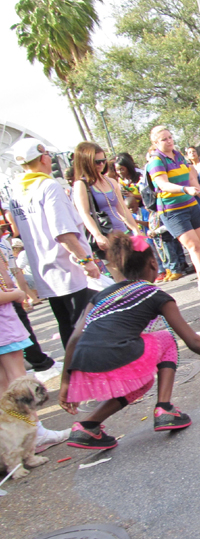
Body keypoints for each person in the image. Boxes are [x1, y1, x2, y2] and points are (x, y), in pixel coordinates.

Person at [58, 233, 200, 449]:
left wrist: (66, 383)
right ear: (153, 263)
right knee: (166, 337)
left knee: (144, 382)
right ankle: (164, 407)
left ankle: (88, 425)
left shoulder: (100, 296)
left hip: (85, 359)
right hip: (118, 352)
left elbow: (75, 337)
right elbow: (192, 340)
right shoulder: (155, 294)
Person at [6, 138, 100, 348]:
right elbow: (63, 232)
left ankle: (73, 371)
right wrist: (86, 260)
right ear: (43, 158)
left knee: (66, 325)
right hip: (66, 267)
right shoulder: (48, 186)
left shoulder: (17, 192)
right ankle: (86, 371)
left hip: (45, 270)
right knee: (81, 326)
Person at [145, 126, 200, 292]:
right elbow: (163, 184)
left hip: (190, 204)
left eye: (170, 137)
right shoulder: (156, 160)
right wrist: (184, 190)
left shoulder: (177, 155)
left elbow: (191, 177)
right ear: (155, 142)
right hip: (172, 210)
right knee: (193, 246)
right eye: (164, 139)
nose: (169, 141)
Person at [72, 142, 141, 278]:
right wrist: (98, 235)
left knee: (136, 274)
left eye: (103, 161)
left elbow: (122, 208)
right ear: (86, 162)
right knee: (121, 278)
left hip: (123, 232)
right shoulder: (81, 184)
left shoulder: (111, 181)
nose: (101, 165)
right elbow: (84, 213)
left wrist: (135, 228)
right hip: (106, 236)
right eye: (97, 162)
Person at [1, 231, 62, 383]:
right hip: (5, 327)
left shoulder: (5, 243)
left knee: (5, 376)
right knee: (16, 374)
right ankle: (22, 405)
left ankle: (10, 406)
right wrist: (17, 295)